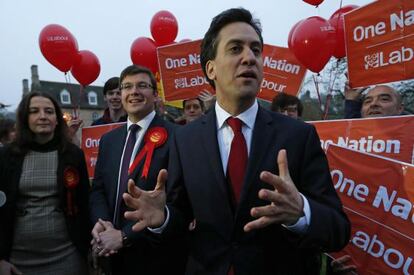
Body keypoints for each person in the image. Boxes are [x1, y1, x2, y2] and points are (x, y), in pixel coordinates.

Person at [123, 8, 350, 275]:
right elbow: (180, 214)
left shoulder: (299, 136)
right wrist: (163, 218)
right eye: (235, 49)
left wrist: (301, 212)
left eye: (255, 50)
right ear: (211, 69)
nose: (249, 58)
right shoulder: (185, 139)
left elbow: (338, 230)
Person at [89, 65, 185, 275]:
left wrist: (124, 236)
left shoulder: (179, 136)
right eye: (127, 87)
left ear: (155, 94)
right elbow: (98, 190)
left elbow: (179, 201)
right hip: (111, 256)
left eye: (142, 85)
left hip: (154, 257)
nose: (134, 92)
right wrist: (103, 225)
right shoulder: (108, 140)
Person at [0, 91, 90, 275]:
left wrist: (88, 247)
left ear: (57, 119)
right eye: (34, 111)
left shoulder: (73, 154)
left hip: (67, 256)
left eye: (49, 111)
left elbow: (84, 203)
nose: (42, 116)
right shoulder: (6, 156)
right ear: (25, 118)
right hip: (17, 260)